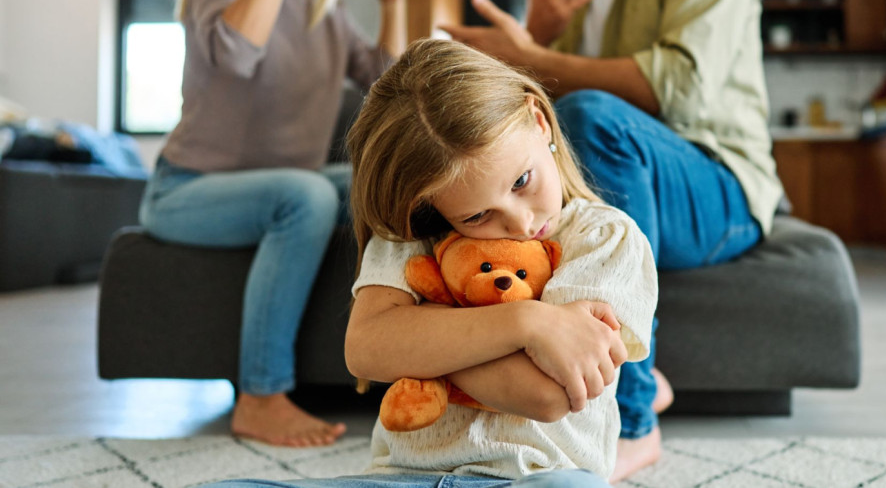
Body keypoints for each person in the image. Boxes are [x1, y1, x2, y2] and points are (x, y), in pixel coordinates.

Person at [441, 0, 784, 480]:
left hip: (721, 182)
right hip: (626, 171)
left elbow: (670, 88)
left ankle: (633, 423)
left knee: (595, 120)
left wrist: (533, 56)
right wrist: (538, 33)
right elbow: (537, 106)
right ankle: (626, 379)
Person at [197, 39, 658, 488]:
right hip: (401, 480)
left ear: (539, 121)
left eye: (521, 181)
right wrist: (527, 321)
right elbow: (366, 349)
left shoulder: (605, 239)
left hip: (532, 478)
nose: (520, 222)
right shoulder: (414, 233)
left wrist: (419, 338)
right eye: (476, 216)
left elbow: (547, 394)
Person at [139, 0, 414, 447]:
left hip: (289, 184)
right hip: (187, 191)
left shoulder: (325, 6)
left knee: (394, 184)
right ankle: (260, 396)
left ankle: (423, 365)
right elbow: (237, 54)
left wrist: (393, 0)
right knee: (307, 195)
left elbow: (386, 82)